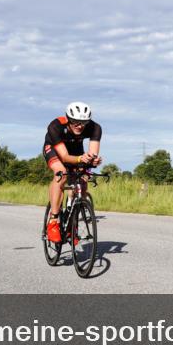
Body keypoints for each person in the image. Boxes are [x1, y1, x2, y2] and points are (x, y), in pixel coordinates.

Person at [42, 102, 102, 243]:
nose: (80, 126)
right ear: (68, 119)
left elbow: (91, 155)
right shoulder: (56, 126)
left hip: (75, 149)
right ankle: (54, 220)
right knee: (61, 173)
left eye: (83, 122)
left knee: (83, 180)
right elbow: (64, 157)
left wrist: (92, 161)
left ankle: (71, 222)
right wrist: (81, 158)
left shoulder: (95, 128)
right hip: (54, 149)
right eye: (75, 122)